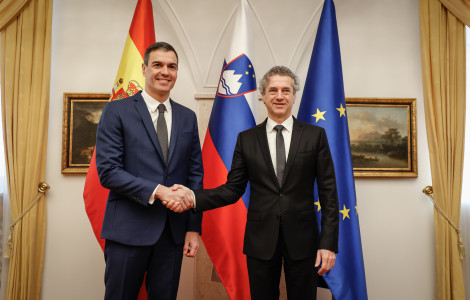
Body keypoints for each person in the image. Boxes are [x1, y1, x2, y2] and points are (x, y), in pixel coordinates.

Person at [168, 66, 339, 299]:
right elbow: (232, 189)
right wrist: (193, 197)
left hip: (304, 240)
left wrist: (328, 244)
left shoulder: (315, 135)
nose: (280, 96)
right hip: (260, 240)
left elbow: (329, 194)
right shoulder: (247, 139)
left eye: (286, 90)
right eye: (273, 90)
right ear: (263, 96)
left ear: (294, 95)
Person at [95, 41, 202, 300]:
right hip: (127, 230)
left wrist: (192, 228)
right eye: (158, 65)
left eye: (172, 66)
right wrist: (160, 191)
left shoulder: (188, 117)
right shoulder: (116, 110)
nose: (165, 71)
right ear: (144, 68)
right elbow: (108, 171)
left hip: (172, 233)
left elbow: (195, 175)